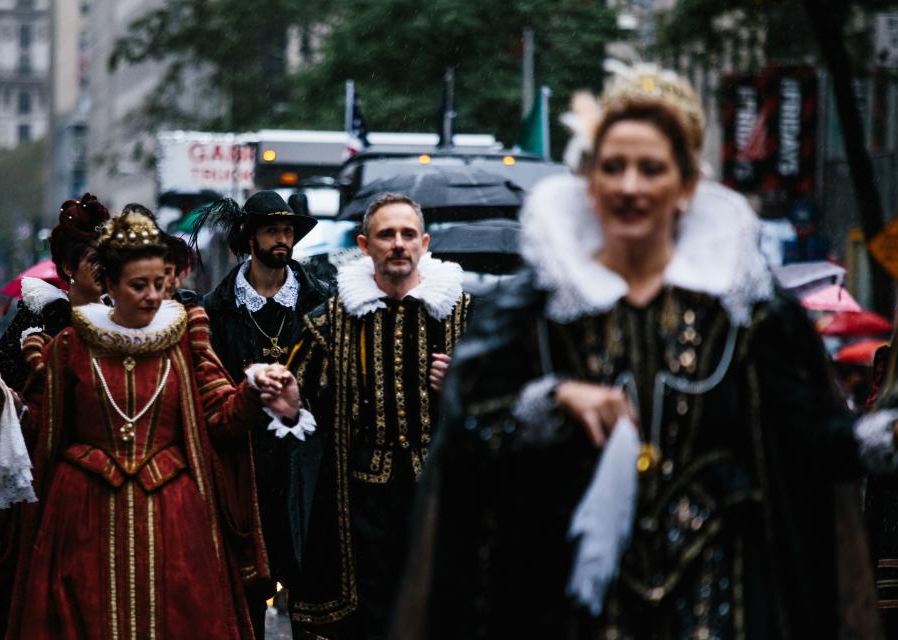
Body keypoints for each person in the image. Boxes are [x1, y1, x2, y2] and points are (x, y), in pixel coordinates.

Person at [393, 66, 891, 639]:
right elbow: (469, 429)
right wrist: (551, 400)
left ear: (685, 186)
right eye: (614, 168)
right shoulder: (543, 303)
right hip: (565, 594)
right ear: (591, 182)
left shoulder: (743, 308)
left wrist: (882, 440)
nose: (631, 186)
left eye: (651, 168)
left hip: (716, 598)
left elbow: (805, 440)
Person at [0, 211, 270, 639]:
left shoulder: (188, 339)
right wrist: (12, 406)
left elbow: (221, 419)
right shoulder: (67, 347)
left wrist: (254, 392)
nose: (152, 296)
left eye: (158, 283)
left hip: (174, 521)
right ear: (111, 285)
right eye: (138, 285)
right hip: (81, 520)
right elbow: (43, 431)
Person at [256, 192, 471, 639]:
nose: (398, 243)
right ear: (364, 244)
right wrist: (291, 408)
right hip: (356, 507)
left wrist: (464, 388)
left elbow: (505, 403)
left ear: (425, 244)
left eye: (408, 234)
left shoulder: (462, 316)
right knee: (368, 621)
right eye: (386, 234)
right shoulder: (329, 320)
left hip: (439, 499)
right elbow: (294, 405)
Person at [0, 193, 110, 640]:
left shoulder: (124, 318)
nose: (103, 270)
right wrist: (9, 400)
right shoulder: (38, 316)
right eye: (93, 261)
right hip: (40, 478)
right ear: (68, 269)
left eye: (108, 259)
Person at [193, 190, 332, 633]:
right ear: (249, 238)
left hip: (303, 469)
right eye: (272, 230)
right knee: (244, 594)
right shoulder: (216, 309)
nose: (282, 239)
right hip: (243, 468)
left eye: (288, 231)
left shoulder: (320, 304)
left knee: (310, 593)